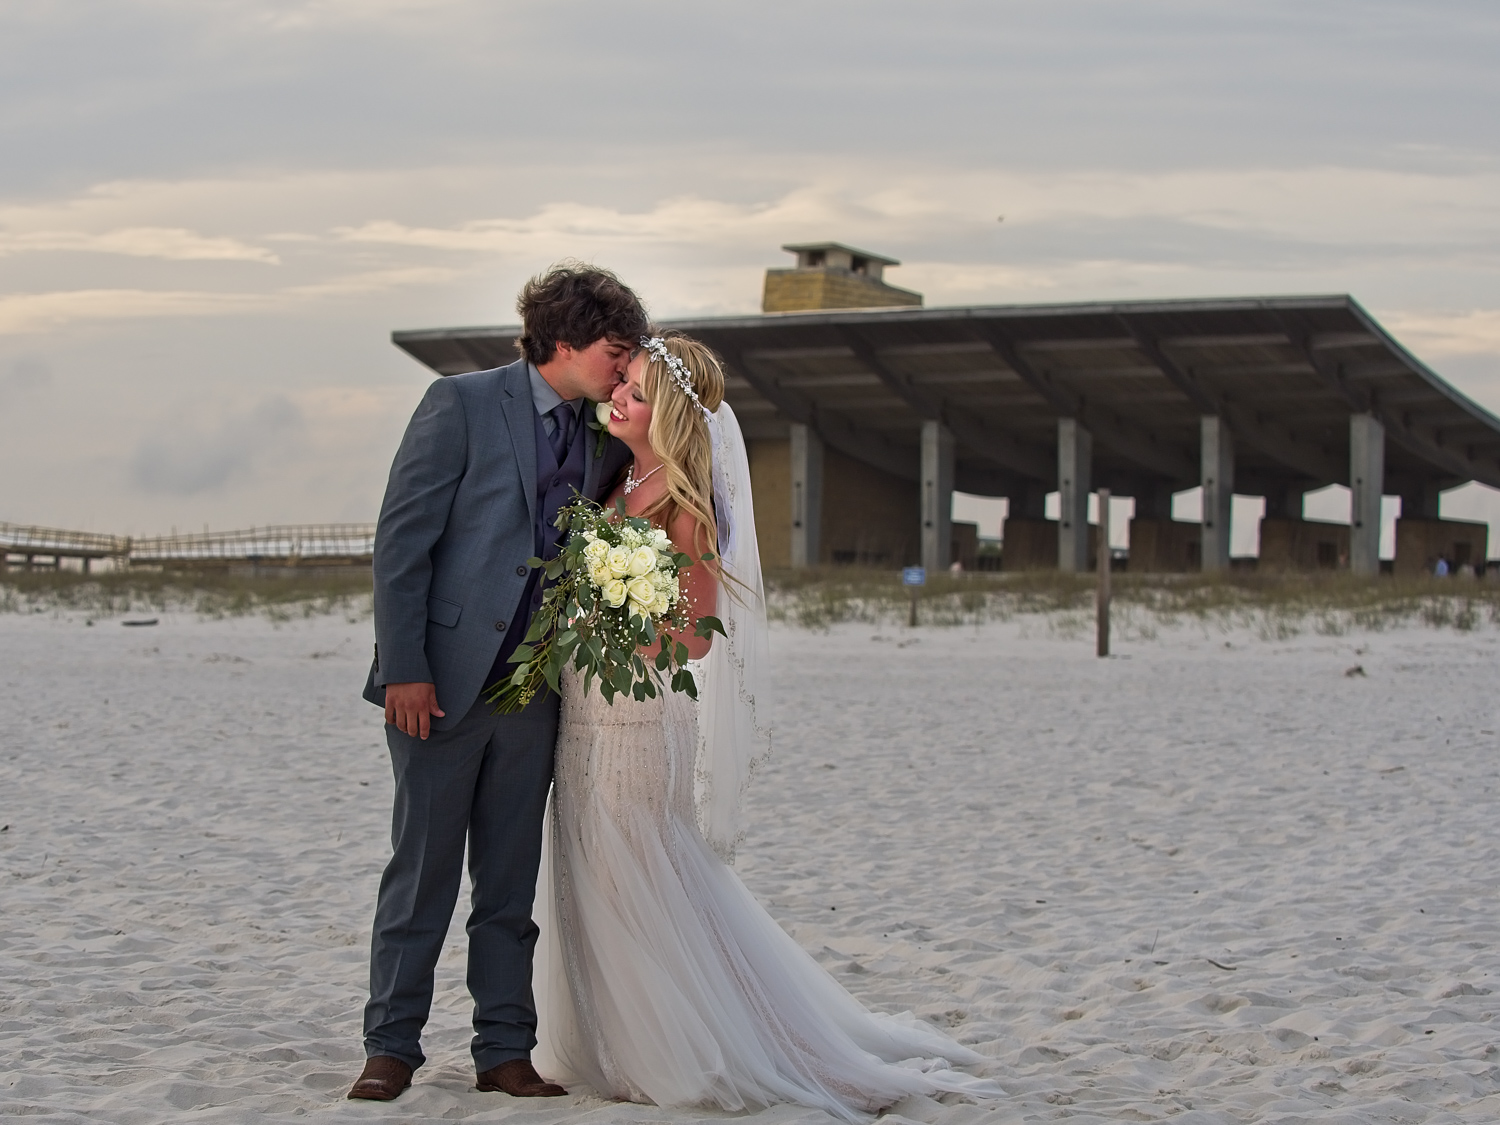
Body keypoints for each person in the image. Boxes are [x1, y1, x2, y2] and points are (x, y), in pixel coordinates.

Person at [531, 333, 1003, 1119]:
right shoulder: (619, 477)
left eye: (637, 392)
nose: (617, 397)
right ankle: (619, 1035)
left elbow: (690, 630)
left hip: (640, 714)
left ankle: (681, 1042)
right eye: (624, 385)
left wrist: (611, 612)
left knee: (637, 869)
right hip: (584, 710)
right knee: (588, 866)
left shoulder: (688, 502)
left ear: (672, 415)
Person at [347, 264, 650, 1102]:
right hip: (436, 684)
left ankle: (505, 1048)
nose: (624, 371)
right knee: (422, 872)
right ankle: (391, 1045)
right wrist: (404, 666)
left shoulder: (603, 435)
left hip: (535, 691)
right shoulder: (461, 402)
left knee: (511, 881)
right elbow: (401, 543)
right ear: (563, 341)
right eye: (615, 353)